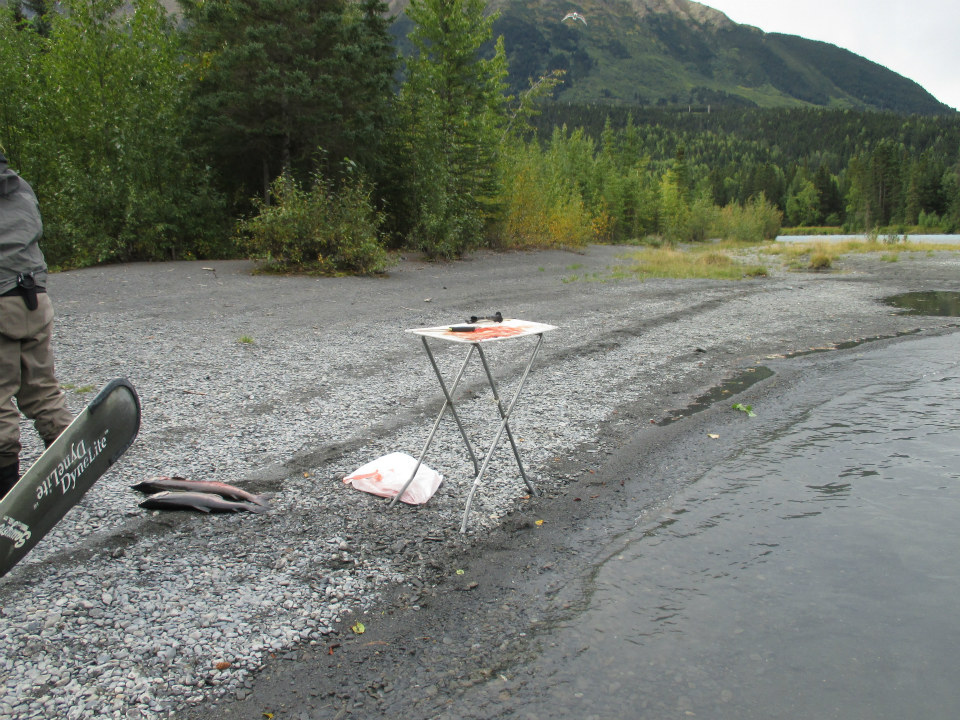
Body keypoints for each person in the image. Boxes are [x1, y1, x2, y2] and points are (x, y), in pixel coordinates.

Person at [0, 150, 73, 498]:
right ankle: (71, 466)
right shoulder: (21, 187)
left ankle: (4, 491)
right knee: (43, 390)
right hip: (34, 298)